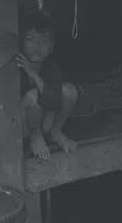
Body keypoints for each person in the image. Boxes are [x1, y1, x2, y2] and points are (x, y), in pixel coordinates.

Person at [17, 11, 78, 161]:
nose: (37, 46)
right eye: (30, 39)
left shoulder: (51, 68)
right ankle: (35, 137)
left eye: (43, 41)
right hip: (21, 126)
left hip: (44, 122)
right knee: (32, 97)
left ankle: (56, 132)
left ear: (51, 46)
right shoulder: (14, 65)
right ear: (21, 42)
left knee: (70, 91)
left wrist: (34, 75)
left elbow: (52, 100)